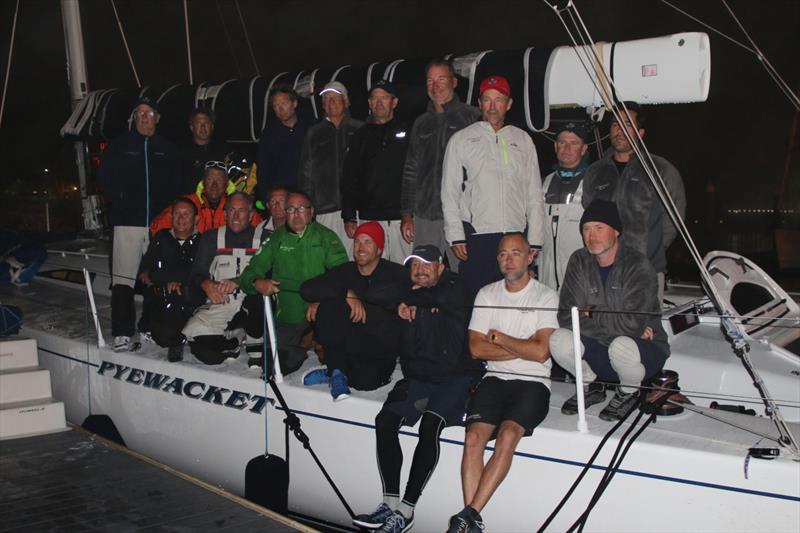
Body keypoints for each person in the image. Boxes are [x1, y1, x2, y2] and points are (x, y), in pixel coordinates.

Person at [353, 244, 482, 533]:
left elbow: (442, 297)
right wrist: (405, 297)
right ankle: (389, 503)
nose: (420, 270)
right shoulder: (410, 288)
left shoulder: (455, 285)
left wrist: (408, 298)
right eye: (414, 265)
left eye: (427, 264)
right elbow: (373, 293)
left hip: (455, 376)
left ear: (441, 267)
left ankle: (407, 510)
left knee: (430, 426)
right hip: (419, 376)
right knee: (384, 421)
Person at [447, 232, 558, 533]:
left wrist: (501, 339)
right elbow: (476, 348)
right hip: (494, 377)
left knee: (508, 435)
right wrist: (520, 346)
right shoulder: (487, 294)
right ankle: (470, 519)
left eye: (515, 253)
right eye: (502, 254)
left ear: (530, 256)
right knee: (472, 439)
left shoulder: (545, 296)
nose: (508, 260)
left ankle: (467, 516)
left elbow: (541, 352)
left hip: (533, 381)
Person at [549, 199, 670, 421]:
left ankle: (629, 392)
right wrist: (616, 329)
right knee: (558, 339)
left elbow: (632, 323)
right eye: (586, 229)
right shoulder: (579, 260)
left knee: (622, 345)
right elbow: (567, 315)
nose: (591, 236)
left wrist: (592, 311)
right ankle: (592, 385)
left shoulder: (638, 264)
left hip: (643, 351)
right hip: (603, 348)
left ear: (616, 231)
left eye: (599, 228)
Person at [441, 75, 545, 299]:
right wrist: (456, 235)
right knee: (478, 301)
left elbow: (534, 192)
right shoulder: (462, 139)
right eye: (487, 100)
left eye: (499, 100)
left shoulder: (523, 140)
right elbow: (449, 192)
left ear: (508, 104)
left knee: (516, 301)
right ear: (479, 103)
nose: (492, 106)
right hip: (478, 236)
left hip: (516, 234)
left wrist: (535, 238)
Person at [97, 96, 181, 352]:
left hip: (159, 225)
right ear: (134, 117)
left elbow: (176, 183)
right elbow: (105, 178)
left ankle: (148, 327)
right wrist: (121, 200)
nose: (145, 118)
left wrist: (168, 215)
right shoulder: (119, 146)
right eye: (140, 114)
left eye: (150, 113)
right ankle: (122, 332)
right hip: (127, 223)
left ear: (158, 117)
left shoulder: (166, 148)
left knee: (153, 278)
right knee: (123, 279)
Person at [581, 102, 686, 301]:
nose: (620, 131)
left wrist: (651, 250)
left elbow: (674, 219)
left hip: (645, 271)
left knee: (644, 330)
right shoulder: (595, 172)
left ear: (640, 132)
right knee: (603, 329)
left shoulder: (660, 170)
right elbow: (589, 218)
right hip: (601, 271)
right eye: (615, 125)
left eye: (627, 124)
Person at [238, 191, 348, 375]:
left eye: (301, 208)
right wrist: (257, 282)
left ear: (311, 212)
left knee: (336, 362)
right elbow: (250, 272)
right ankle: (305, 340)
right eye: (290, 209)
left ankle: (316, 339)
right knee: (273, 367)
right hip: (290, 315)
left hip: (322, 309)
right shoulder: (275, 239)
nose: (296, 214)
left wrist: (322, 300)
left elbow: (343, 274)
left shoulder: (326, 237)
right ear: (285, 212)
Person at [298, 221, 406, 400]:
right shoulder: (346, 270)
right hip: (349, 343)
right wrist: (343, 292)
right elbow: (306, 289)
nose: (361, 247)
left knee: (365, 383)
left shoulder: (395, 272)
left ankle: (333, 372)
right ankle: (337, 371)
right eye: (357, 242)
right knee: (330, 304)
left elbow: (420, 287)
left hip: (380, 347)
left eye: (367, 242)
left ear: (379, 249)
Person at [400, 59, 481, 271]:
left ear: (454, 82)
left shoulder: (472, 117)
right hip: (426, 214)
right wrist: (407, 214)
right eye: (430, 80)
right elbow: (411, 170)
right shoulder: (420, 123)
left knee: (464, 273)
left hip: (461, 214)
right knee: (423, 274)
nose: (435, 86)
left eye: (441, 79)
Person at [181, 192, 267, 365]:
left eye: (241, 211)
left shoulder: (265, 238)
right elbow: (196, 274)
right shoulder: (211, 238)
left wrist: (239, 281)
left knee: (257, 300)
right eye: (231, 210)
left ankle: (255, 341)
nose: (235, 216)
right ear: (225, 214)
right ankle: (233, 339)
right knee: (204, 351)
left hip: (254, 305)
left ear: (251, 215)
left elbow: (272, 276)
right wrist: (206, 284)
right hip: (222, 304)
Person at [341, 79, 411, 263]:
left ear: (394, 102)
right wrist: (349, 216)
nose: (379, 103)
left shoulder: (408, 131)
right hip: (369, 217)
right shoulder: (360, 136)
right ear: (369, 103)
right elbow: (350, 177)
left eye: (385, 98)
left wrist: (410, 213)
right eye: (375, 98)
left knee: (404, 269)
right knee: (370, 269)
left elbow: (414, 173)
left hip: (401, 218)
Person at [297, 81, 363, 254]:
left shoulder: (360, 129)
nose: (330, 102)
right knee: (328, 256)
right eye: (326, 99)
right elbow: (305, 174)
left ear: (346, 101)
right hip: (325, 209)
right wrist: (308, 206)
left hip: (358, 209)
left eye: (335, 98)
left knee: (357, 256)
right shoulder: (314, 133)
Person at [137, 197, 202, 362]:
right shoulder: (161, 238)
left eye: (186, 214)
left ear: (196, 218)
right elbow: (144, 272)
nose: (180, 218)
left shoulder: (203, 242)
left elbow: (201, 274)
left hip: (189, 304)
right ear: (171, 217)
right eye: (177, 214)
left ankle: (181, 338)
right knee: (162, 336)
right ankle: (175, 337)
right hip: (162, 301)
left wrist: (174, 280)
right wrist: (163, 283)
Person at [539, 122, 591, 291]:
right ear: (555, 146)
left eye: (574, 143)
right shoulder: (545, 182)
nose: (567, 148)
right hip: (546, 276)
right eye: (562, 142)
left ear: (583, 149)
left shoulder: (593, 181)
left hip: (580, 275)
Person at [149, 161, 263, 235]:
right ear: (203, 182)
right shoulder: (188, 204)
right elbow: (155, 229)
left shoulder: (238, 205)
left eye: (219, 180)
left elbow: (261, 231)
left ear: (227, 184)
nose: (214, 185)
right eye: (210, 179)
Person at [256, 85, 315, 204]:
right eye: (276, 106)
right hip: (284, 197)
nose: (280, 109)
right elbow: (263, 170)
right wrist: (266, 197)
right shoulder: (269, 135)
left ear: (294, 103)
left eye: (283, 103)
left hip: (312, 194)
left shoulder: (311, 126)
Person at [178, 108, 232, 193]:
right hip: (190, 201)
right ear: (192, 127)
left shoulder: (224, 151)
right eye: (198, 123)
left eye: (206, 123)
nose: (203, 127)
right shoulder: (181, 152)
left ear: (212, 126)